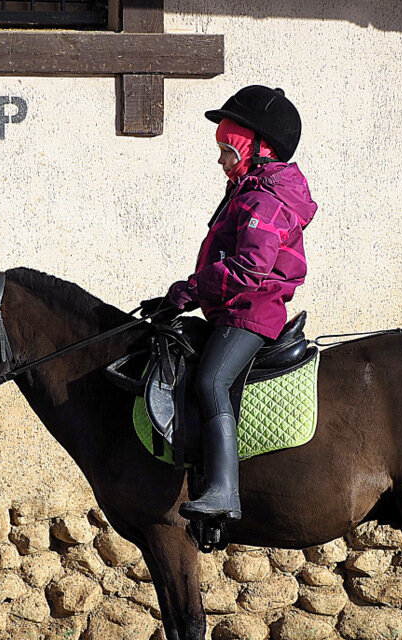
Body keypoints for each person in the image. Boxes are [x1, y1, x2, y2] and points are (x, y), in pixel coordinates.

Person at [142, 85, 318, 521]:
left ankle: (224, 492)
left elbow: (251, 268)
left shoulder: (264, 199)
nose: (220, 161)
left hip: (252, 314)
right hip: (233, 310)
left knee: (211, 382)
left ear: (258, 149)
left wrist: (191, 289)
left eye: (227, 151)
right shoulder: (248, 191)